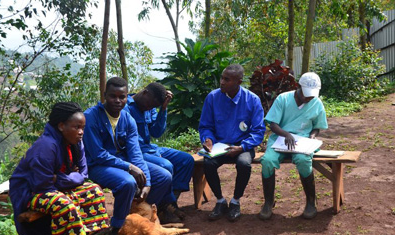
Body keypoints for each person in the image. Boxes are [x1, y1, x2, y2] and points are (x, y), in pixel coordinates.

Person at [9, 102, 110, 235]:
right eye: (77, 127)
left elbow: (83, 174)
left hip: (55, 187)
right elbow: (43, 183)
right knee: (65, 206)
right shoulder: (45, 147)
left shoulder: (76, 142)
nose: (81, 132)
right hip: (31, 193)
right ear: (61, 126)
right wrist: (71, 177)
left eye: (82, 127)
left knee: (94, 192)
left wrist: (63, 177)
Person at [83, 77, 178, 235]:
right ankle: (117, 227)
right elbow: (98, 154)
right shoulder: (91, 117)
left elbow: (135, 153)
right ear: (105, 95)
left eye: (122, 96)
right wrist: (129, 167)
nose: (118, 101)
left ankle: (135, 217)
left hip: (123, 162)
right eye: (113, 96)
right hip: (98, 165)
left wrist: (147, 181)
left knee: (163, 176)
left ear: (127, 97)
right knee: (127, 182)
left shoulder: (127, 119)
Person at [199, 64, 266, 222]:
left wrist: (242, 147)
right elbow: (206, 125)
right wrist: (208, 140)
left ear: (239, 82)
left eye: (227, 79)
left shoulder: (252, 100)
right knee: (208, 163)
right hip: (219, 147)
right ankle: (220, 201)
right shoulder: (213, 98)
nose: (222, 82)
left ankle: (235, 201)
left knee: (244, 164)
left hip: (243, 147)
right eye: (222, 78)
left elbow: (258, 131)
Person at [259, 72, 328, 220]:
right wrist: (286, 134)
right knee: (268, 161)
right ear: (298, 87)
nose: (309, 98)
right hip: (280, 139)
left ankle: (311, 202)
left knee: (303, 161)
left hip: (302, 142)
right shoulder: (283, 99)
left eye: (312, 95)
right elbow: (273, 124)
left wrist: (312, 136)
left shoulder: (316, 102)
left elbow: (317, 126)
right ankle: (268, 202)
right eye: (306, 94)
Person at [123, 82, 194, 219]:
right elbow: (131, 144)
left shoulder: (151, 106)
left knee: (186, 160)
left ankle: (167, 204)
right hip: (136, 152)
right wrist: (157, 155)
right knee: (165, 165)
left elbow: (157, 132)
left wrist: (163, 109)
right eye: (149, 105)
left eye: (153, 107)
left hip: (150, 149)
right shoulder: (125, 108)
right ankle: (164, 205)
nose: (149, 108)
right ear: (145, 93)